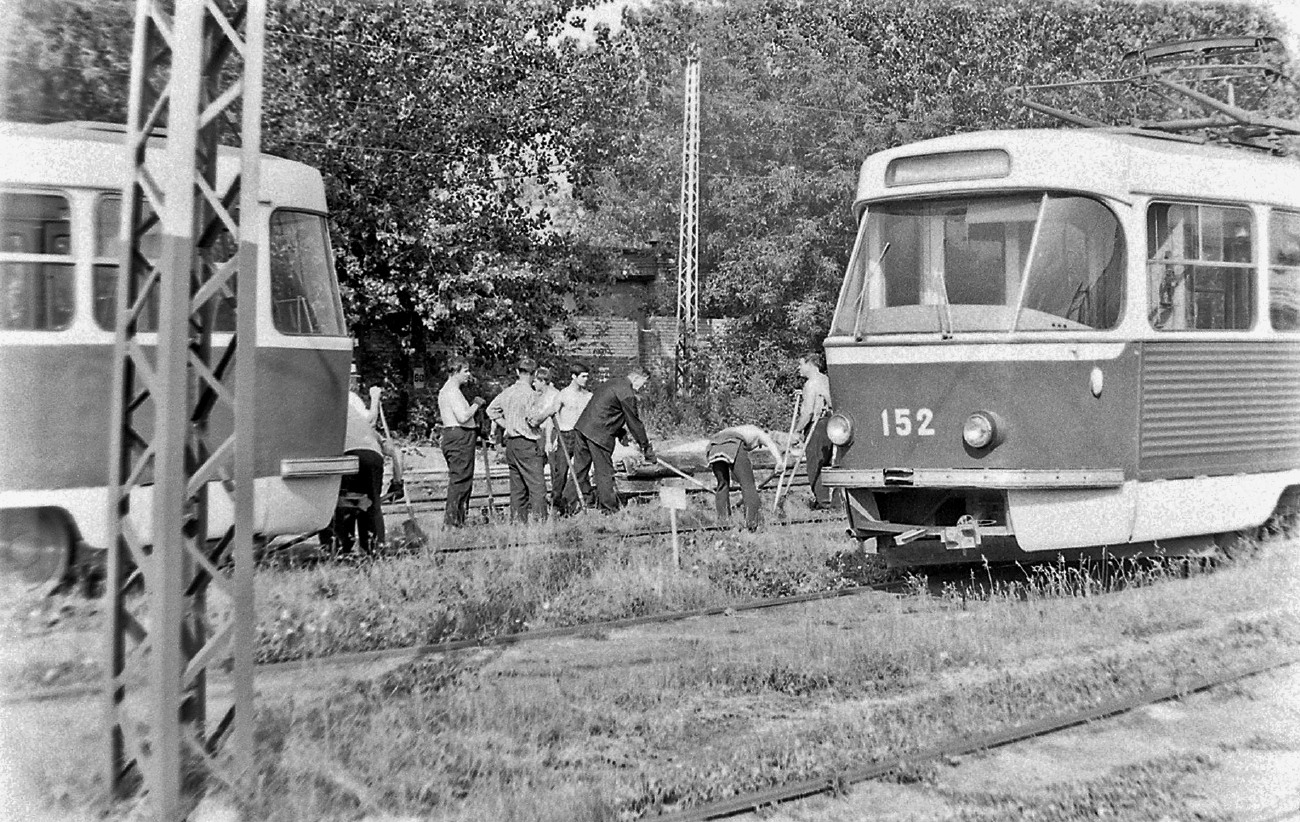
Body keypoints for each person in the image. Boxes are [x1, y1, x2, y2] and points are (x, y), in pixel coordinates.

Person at [573, 365, 654, 513]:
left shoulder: (613, 382)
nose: (642, 387)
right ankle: (609, 509)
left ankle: (569, 505)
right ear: (636, 378)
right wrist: (646, 447)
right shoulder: (627, 392)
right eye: (643, 383)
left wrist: (620, 432)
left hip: (582, 427)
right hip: (599, 434)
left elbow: (606, 408)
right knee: (604, 472)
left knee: (579, 470)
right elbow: (634, 422)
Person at [486, 357, 549, 522]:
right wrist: (548, 413)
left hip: (512, 445)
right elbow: (534, 420)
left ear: (517, 372)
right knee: (537, 488)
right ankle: (540, 524)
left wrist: (507, 425)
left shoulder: (507, 392)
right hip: (527, 444)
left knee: (517, 489)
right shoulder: (531, 395)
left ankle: (518, 523)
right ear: (534, 374)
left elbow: (491, 410)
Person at [331, 365, 385, 553]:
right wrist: (375, 399)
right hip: (366, 451)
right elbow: (370, 421)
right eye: (353, 377)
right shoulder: (351, 398)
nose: (355, 381)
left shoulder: (329, 397)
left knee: (346, 502)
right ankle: (372, 547)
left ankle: (342, 546)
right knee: (370, 504)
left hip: (345, 453)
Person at [536, 361, 593, 514]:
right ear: (574, 377)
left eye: (587, 376)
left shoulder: (588, 396)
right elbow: (551, 416)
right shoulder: (563, 395)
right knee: (560, 471)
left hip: (582, 434)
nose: (586, 379)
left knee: (581, 470)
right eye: (583, 376)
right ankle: (556, 503)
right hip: (565, 435)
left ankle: (573, 503)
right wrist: (548, 440)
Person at [707, 424, 785, 531]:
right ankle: (752, 524)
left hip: (714, 445)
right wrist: (779, 462)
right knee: (748, 485)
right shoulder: (760, 433)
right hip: (733, 442)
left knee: (722, 484)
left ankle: (723, 523)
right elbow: (770, 443)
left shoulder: (742, 429)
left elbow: (735, 471)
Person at [438, 357, 486, 528]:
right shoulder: (452, 391)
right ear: (455, 371)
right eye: (465, 371)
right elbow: (463, 416)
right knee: (460, 481)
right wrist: (476, 405)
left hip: (458, 436)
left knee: (463, 480)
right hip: (459, 437)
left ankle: (458, 520)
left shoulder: (450, 390)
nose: (468, 374)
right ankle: (453, 523)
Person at [795, 352, 834, 508]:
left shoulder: (811, 384)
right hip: (831, 424)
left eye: (801, 364)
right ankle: (836, 503)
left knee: (814, 464)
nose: (799, 368)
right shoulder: (827, 380)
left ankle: (823, 502)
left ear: (810, 364)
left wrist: (798, 430)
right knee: (830, 463)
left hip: (817, 426)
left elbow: (808, 412)